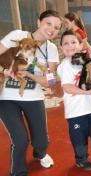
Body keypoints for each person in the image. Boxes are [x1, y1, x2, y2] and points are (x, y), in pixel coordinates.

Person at [0, 10, 62, 176]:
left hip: (34, 97)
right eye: (48, 23)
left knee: (41, 139)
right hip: (6, 98)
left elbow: (49, 81)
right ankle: (18, 172)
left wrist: (28, 74)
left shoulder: (52, 49)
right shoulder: (18, 34)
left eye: (56, 27)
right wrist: (5, 71)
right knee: (20, 139)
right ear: (38, 22)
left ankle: (40, 153)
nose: (51, 29)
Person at [57, 30, 91, 171]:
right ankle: (81, 160)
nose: (70, 46)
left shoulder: (85, 63)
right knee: (79, 138)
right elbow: (67, 87)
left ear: (81, 45)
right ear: (61, 47)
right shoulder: (65, 65)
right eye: (66, 43)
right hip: (75, 112)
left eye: (74, 42)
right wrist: (85, 92)